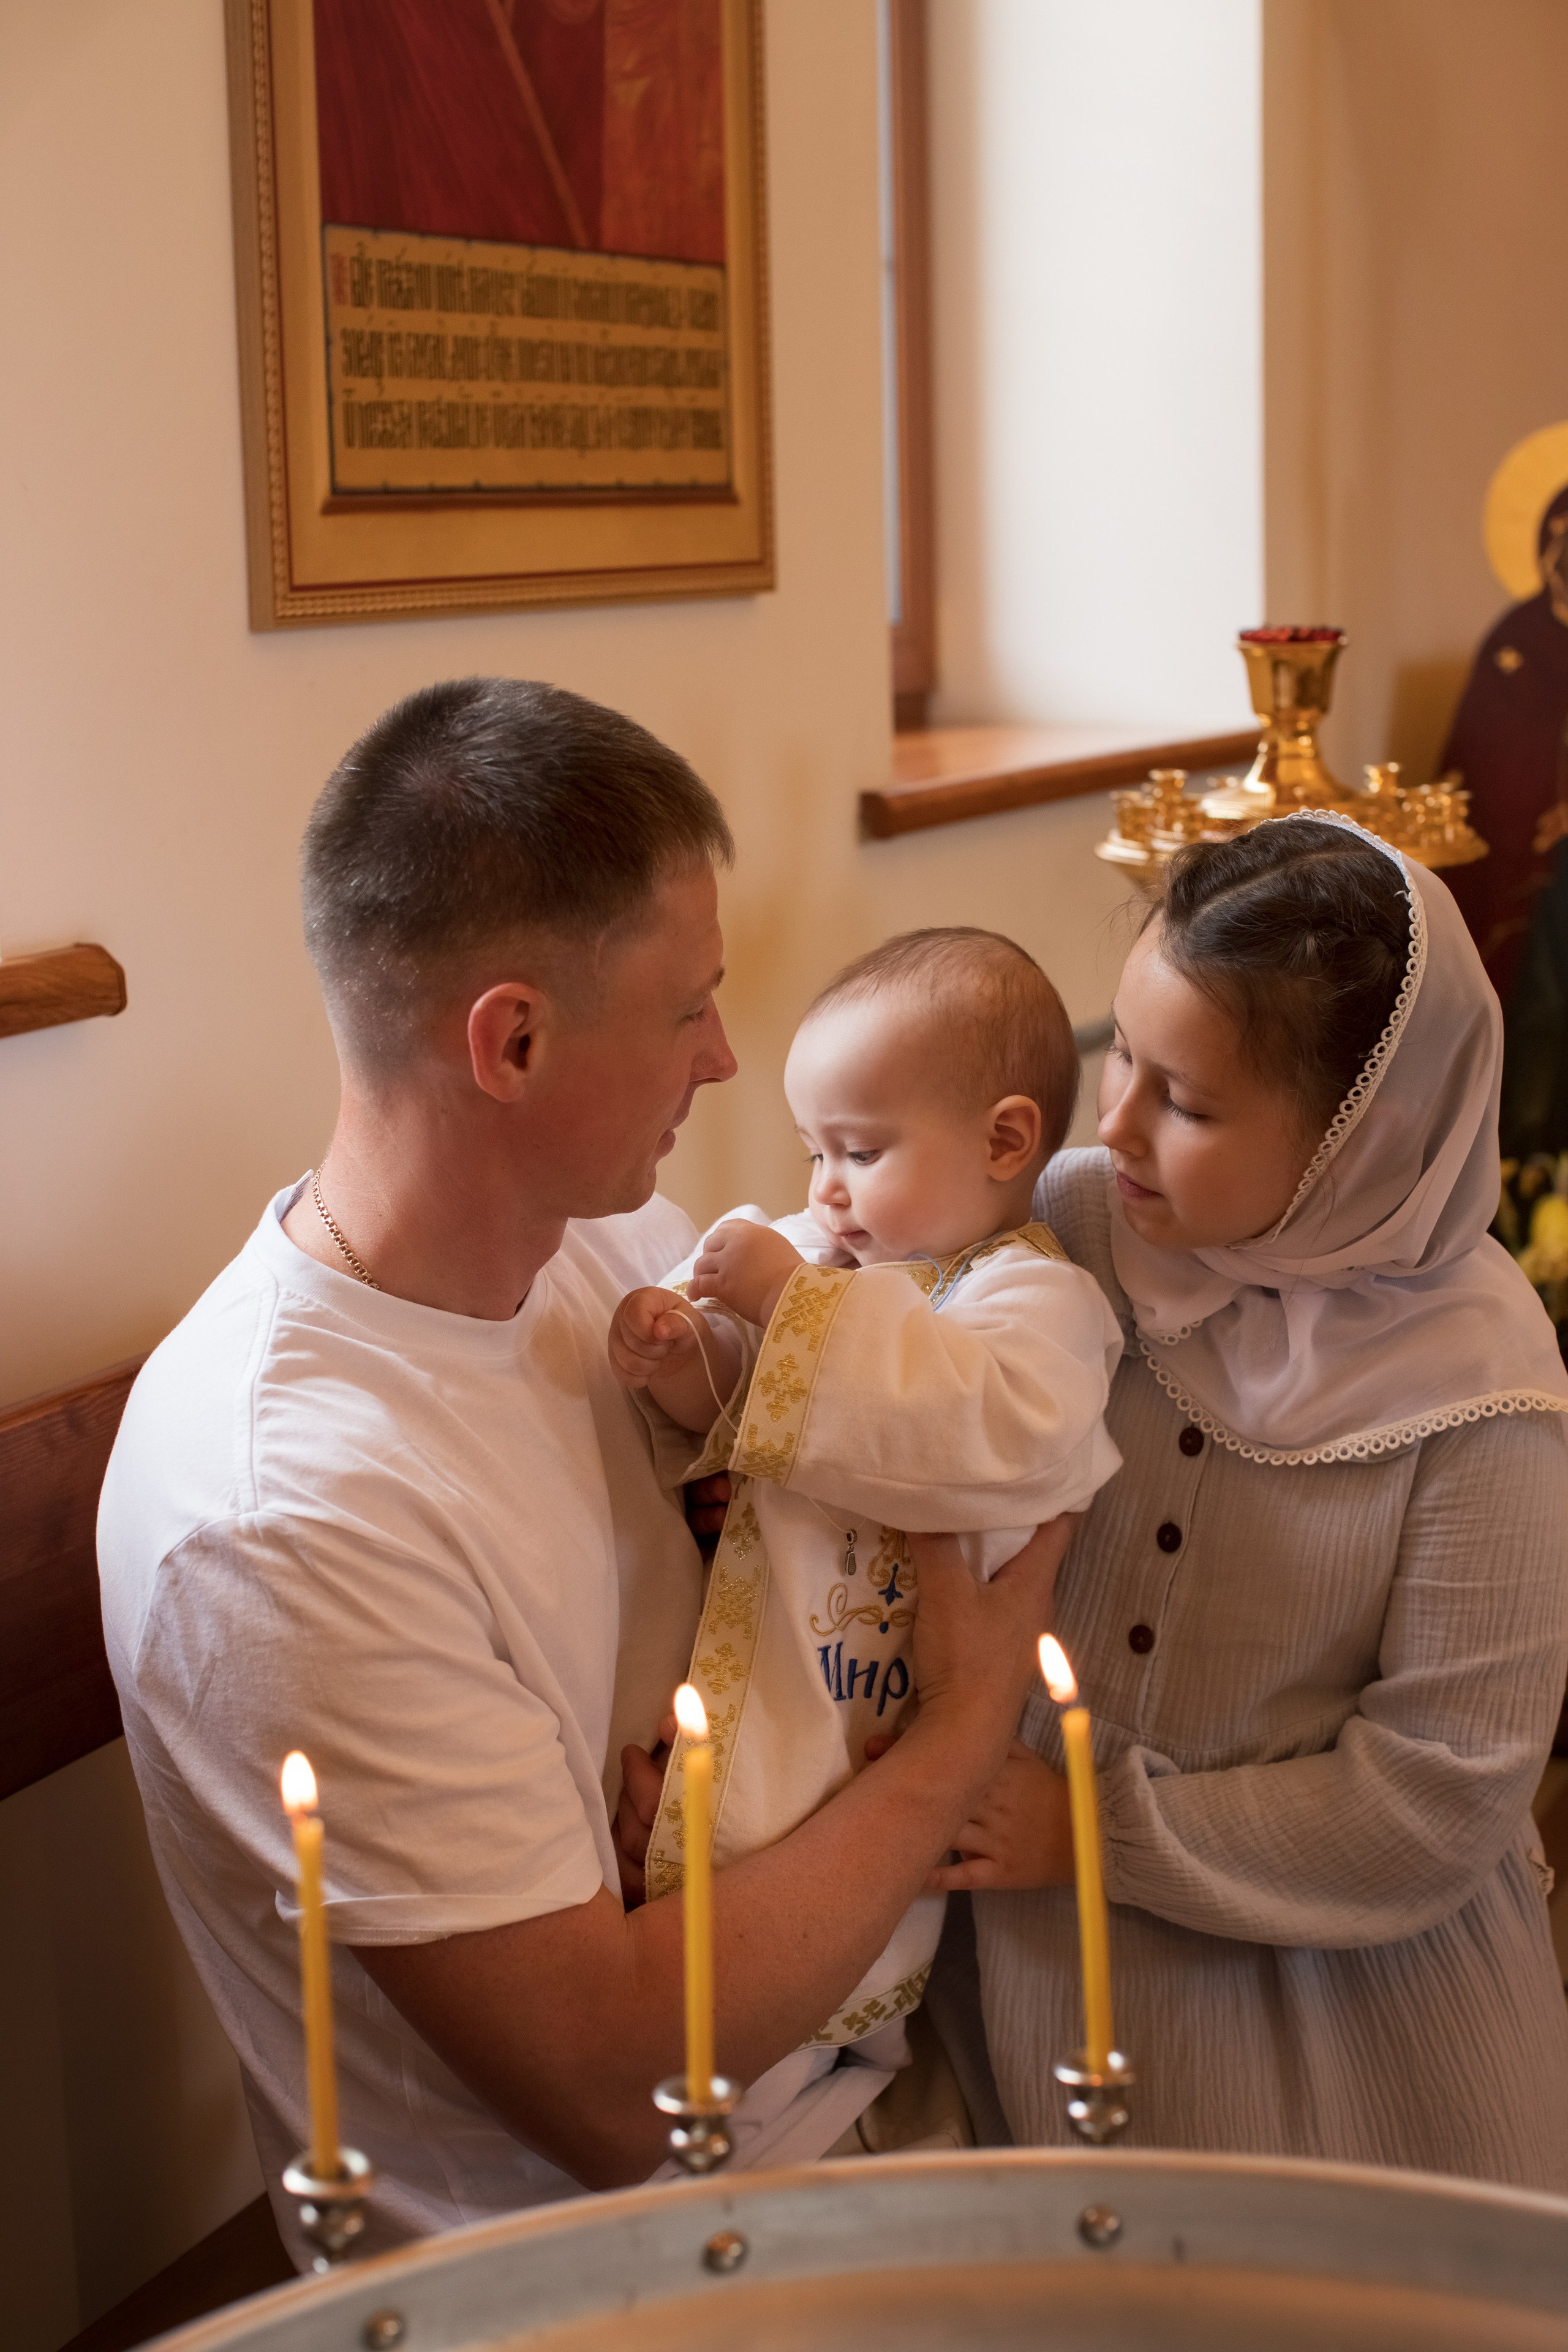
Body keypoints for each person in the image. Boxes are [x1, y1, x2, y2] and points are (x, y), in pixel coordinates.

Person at [96, 677, 1065, 2260]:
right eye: (690, 1007)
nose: (727, 1059)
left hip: (853, 2069)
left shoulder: (600, 1248)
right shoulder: (288, 1512)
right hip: (607, 2261)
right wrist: (961, 1729)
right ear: (516, 1039)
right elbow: (623, 2088)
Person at [928, 813, 1568, 2188]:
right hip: (1034, 1987)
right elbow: (861, 1342)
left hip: (1349, 2039)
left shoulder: (1483, 1387)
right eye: (1125, 1060)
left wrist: (1089, 1831)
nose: (1114, 1125)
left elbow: (1438, 1794)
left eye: (1190, 1103)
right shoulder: (1070, 1224)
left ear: (1360, 1140)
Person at [605, 932, 1122, 2143]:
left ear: (1003, 1142)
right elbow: (764, 1421)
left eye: (861, 1151)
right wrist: (691, 1361)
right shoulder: (857, 1264)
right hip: (798, 1651)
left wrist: (787, 1299)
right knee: (726, 1847)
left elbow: (970, 1428)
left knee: (840, 1918)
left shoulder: (1036, 1304)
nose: (825, 1188)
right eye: (813, 1153)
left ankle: (812, 2089)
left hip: (885, 1689)